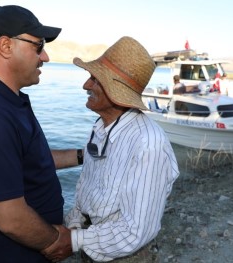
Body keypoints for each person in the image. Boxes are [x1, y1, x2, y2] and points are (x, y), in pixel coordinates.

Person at [0, 5, 78, 262]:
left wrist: (85, 155)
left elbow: (29, 162)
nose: (45, 57)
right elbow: (10, 218)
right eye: (38, 46)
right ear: (6, 46)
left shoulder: (6, 102)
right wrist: (57, 241)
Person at [49, 36, 180, 262]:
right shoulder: (101, 127)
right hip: (96, 242)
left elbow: (134, 232)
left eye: (95, 79)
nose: (86, 85)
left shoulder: (148, 143)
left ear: (117, 92)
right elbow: (89, 186)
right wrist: (73, 222)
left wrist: (74, 240)